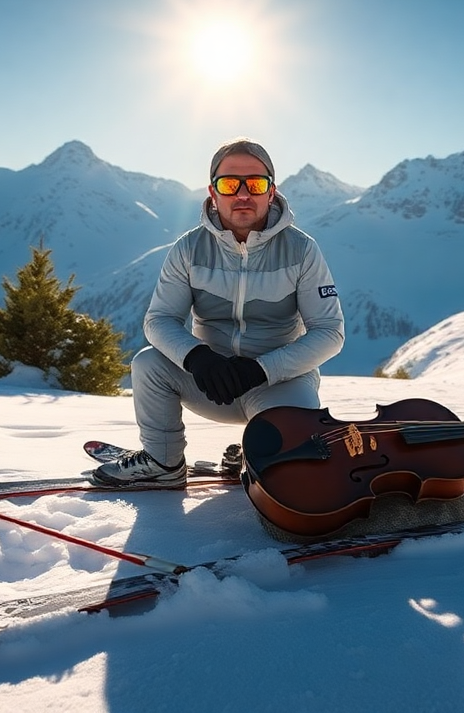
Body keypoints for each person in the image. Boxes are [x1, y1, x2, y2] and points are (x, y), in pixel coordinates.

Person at [90, 137, 344, 491]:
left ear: (272, 191)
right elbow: (158, 320)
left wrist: (262, 369)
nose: (243, 194)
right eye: (229, 184)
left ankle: (254, 453)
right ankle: (163, 462)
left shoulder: (301, 250)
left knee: (290, 479)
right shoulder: (189, 249)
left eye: (256, 183)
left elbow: (330, 332)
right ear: (213, 192)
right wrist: (198, 358)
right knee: (148, 364)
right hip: (211, 383)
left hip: (280, 387)